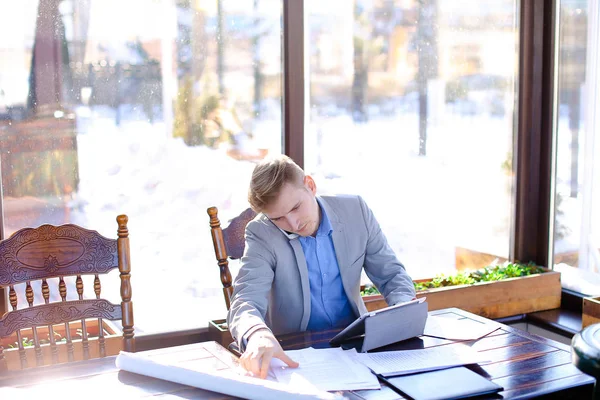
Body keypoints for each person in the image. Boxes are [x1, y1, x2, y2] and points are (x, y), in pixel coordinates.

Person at [227, 155, 415, 378]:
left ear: (310, 185)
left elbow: (392, 274)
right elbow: (244, 300)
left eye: (296, 207)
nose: (293, 224)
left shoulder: (356, 211)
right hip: (298, 355)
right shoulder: (261, 233)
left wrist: (403, 311)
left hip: (359, 347)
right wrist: (257, 333)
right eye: (278, 218)